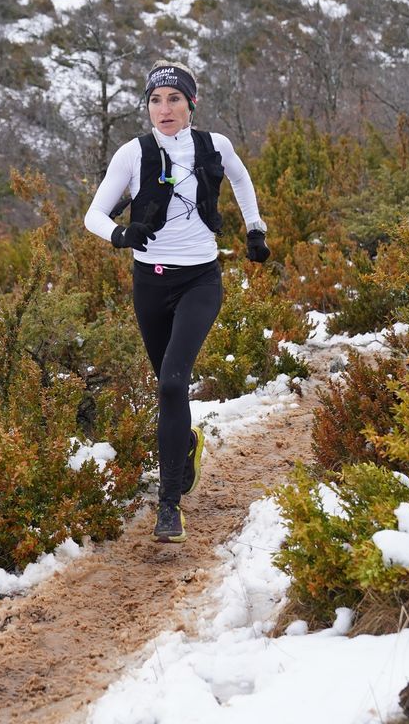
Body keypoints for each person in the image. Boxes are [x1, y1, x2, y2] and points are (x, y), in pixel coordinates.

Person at [84, 60, 270, 543]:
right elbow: (93, 216)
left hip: (200, 282)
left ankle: (169, 506)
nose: (164, 109)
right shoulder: (133, 153)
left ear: (191, 104)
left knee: (172, 384)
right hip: (150, 284)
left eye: (173, 99)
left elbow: (242, 180)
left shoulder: (214, 146)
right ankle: (184, 442)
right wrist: (121, 234)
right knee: (167, 386)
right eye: (155, 100)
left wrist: (255, 230)